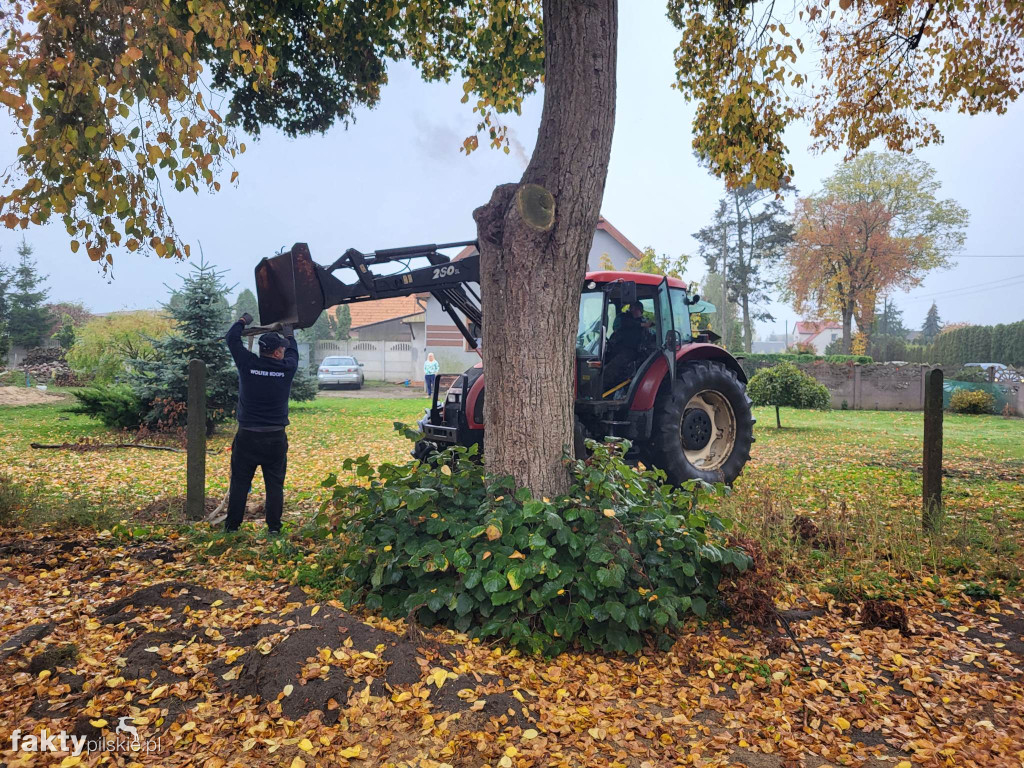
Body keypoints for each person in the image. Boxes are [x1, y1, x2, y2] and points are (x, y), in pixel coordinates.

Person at [224, 312, 299, 534]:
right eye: (282, 349)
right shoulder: (286, 369)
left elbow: (231, 339)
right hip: (274, 438)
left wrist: (242, 322)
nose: (284, 351)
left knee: (239, 483)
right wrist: (290, 335)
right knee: (274, 485)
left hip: (247, 437)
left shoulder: (247, 363)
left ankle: (232, 527)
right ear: (276, 353)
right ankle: (274, 528)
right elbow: (294, 354)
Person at [604, 302, 655, 395]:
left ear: (641, 311)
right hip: (616, 349)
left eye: (637, 309)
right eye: (633, 309)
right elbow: (619, 325)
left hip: (633, 353)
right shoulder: (622, 318)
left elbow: (650, 336)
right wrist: (642, 325)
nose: (634, 311)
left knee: (612, 369)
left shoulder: (643, 321)